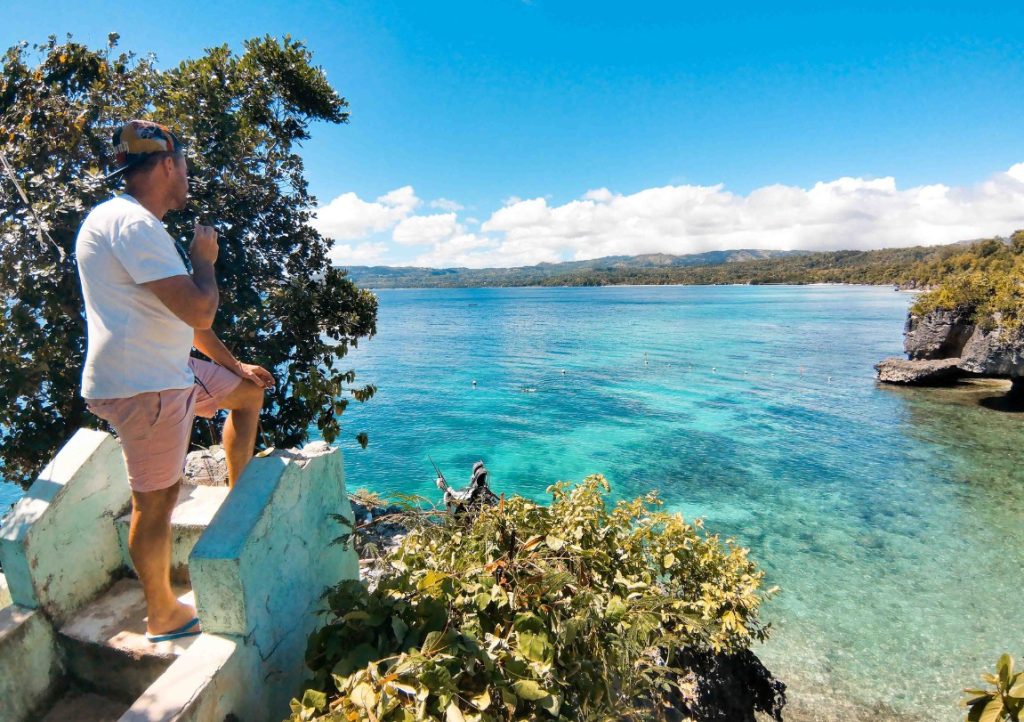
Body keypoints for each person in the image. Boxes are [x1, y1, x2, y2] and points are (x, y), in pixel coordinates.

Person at [76, 120, 274, 642]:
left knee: (249, 395)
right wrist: (204, 263)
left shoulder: (126, 221)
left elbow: (180, 321)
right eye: (184, 166)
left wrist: (235, 368)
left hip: (169, 374)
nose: (187, 176)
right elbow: (200, 309)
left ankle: (237, 499)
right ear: (167, 165)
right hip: (146, 387)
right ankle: (162, 613)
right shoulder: (134, 225)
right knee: (156, 502)